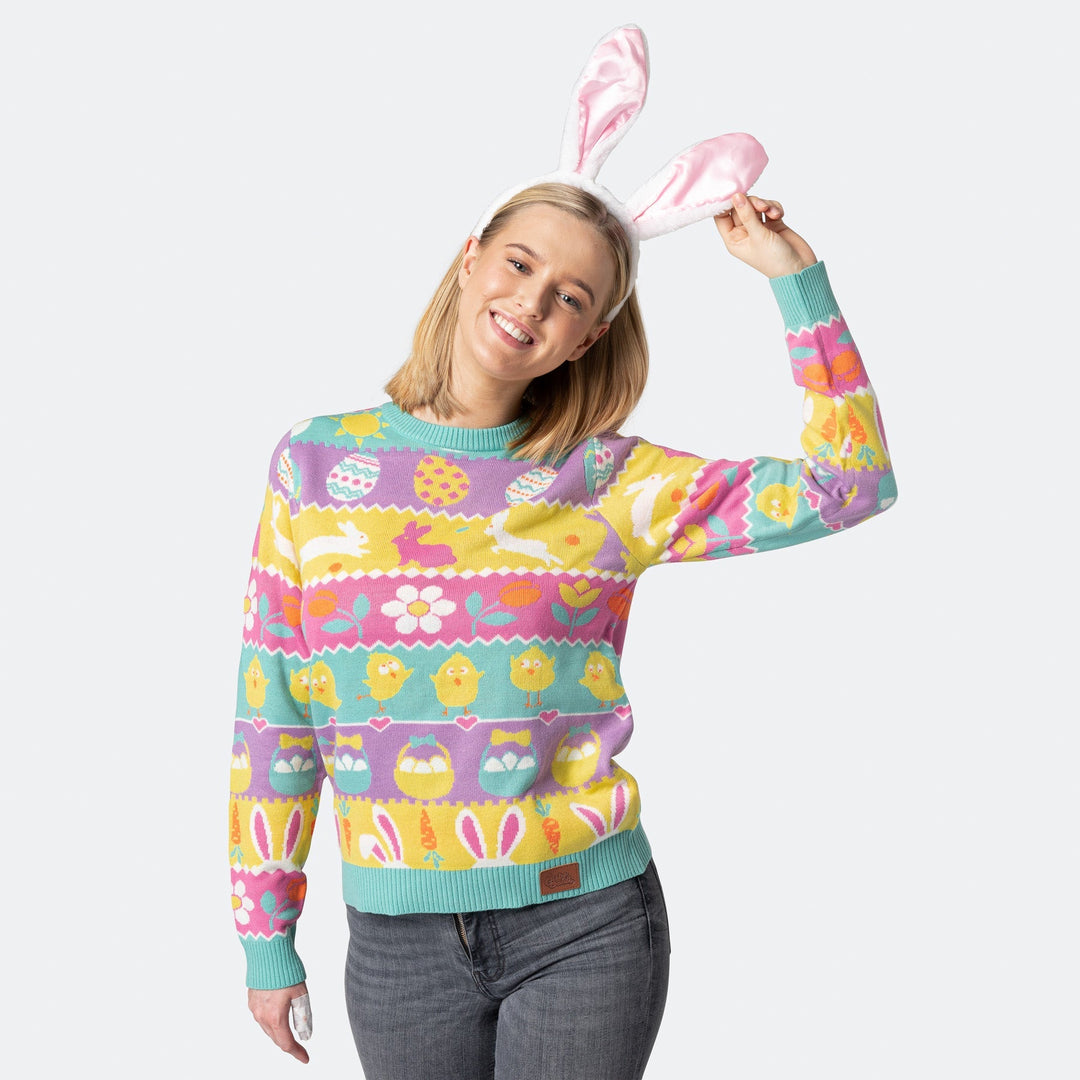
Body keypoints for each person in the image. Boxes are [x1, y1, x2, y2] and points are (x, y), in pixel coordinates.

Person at [228, 26, 895, 1080]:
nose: (532, 302)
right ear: (471, 257)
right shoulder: (317, 464)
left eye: (572, 297)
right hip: (396, 945)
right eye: (520, 263)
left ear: (586, 338)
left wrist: (796, 279)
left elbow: (849, 485)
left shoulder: (611, 481)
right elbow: (275, 706)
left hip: (583, 926)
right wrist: (266, 934)